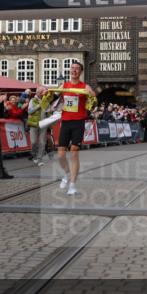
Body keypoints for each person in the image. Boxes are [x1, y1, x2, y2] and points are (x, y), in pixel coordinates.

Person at [47, 61, 96, 196]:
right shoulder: (64, 85)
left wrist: (91, 94)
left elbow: (93, 98)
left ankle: (73, 185)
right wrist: (46, 93)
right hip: (66, 121)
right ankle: (67, 174)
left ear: (80, 72)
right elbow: (52, 98)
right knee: (61, 154)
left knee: (74, 152)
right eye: (72, 68)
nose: (74, 70)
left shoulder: (84, 86)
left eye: (77, 69)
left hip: (78, 122)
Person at [27, 86, 50, 164]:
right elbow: (29, 111)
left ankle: (39, 158)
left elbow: (48, 111)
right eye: (44, 92)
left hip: (43, 124)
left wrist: (50, 112)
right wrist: (39, 106)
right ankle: (34, 155)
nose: (45, 93)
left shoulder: (46, 100)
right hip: (34, 124)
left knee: (42, 142)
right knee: (33, 142)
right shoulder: (33, 100)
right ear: (39, 92)